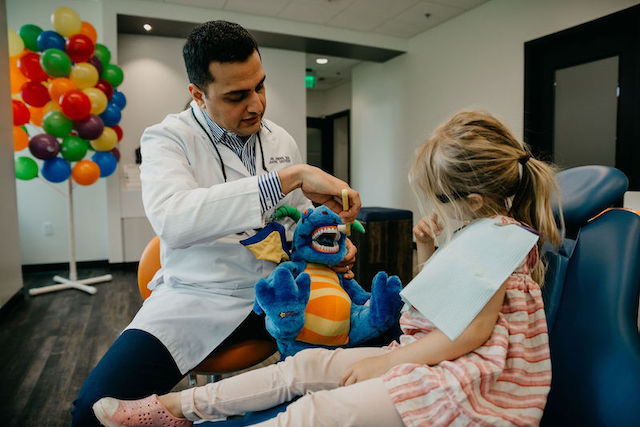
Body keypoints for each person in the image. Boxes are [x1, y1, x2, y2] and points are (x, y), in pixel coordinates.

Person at [92, 110, 563, 426]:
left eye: (438, 198)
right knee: (307, 365)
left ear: (474, 201)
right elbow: (445, 301)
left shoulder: (498, 238)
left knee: (314, 411)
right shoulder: (482, 231)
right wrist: (426, 250)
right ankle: (172, 408)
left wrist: (388, 360)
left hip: (462, 381)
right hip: (436, 356)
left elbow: (470, 334)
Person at [72, 20, 361, 426]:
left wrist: (332, 240)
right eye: (237, 95)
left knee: (358, 357)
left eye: (260, 86)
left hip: (276, 291)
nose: (256, 105)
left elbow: (298, 222)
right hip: (197, 298)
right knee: (91, 412)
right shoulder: (167, 139)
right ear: (197, 93)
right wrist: (288, 178)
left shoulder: (281, 141)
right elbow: (174, 218)